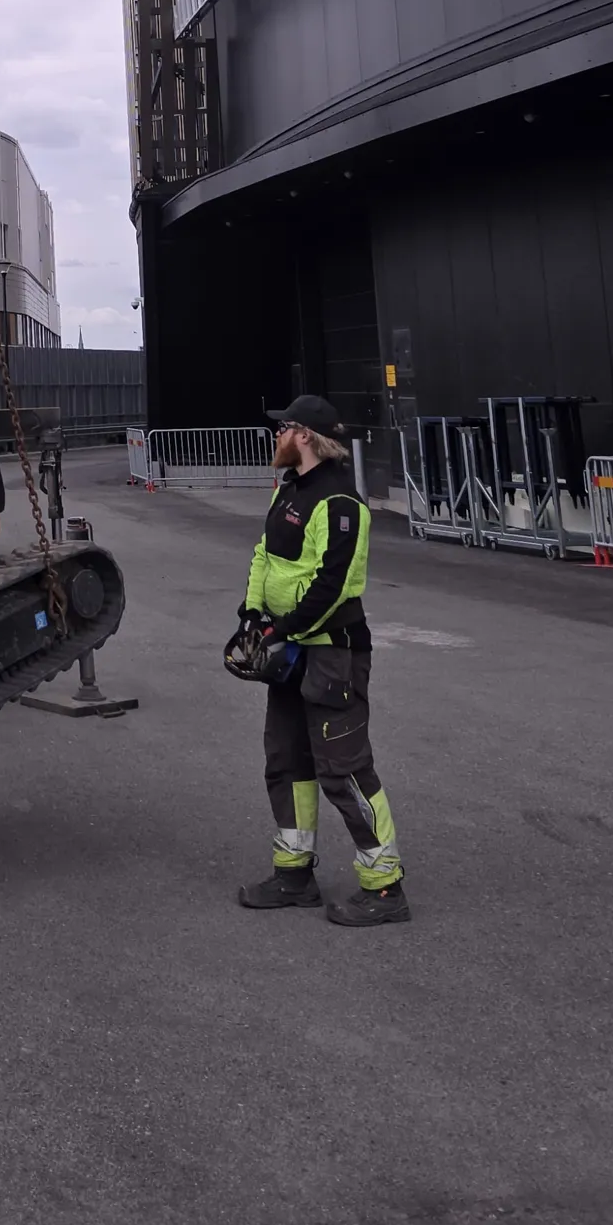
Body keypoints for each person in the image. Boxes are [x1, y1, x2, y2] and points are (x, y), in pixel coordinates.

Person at [233, 394, 409, 926]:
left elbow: (334, 584)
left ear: (304, 436)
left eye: (282, 428)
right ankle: (294, 876)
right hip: (288, 653)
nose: (276, 436)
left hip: (331, 654)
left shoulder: (340, 503)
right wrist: (252, 614)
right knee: (287, 763)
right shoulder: (288, 490)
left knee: (345, 771)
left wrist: (281, 630)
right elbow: (266, 556)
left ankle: (385, 888)